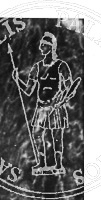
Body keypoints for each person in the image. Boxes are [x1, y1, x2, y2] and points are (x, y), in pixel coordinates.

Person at [12, 31, 75, 176]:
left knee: (56, 137)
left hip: (56, 107)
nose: (41, 48)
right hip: (41, 107)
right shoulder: (37, 67)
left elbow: (69, 89)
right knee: (37, 135)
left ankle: (58, 165)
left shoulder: (61, 66)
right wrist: (17, 80)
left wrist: (61, 99)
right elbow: (28, 91)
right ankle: (41, 163)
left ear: (51, 47)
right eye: (41, 45)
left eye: (44, 45)